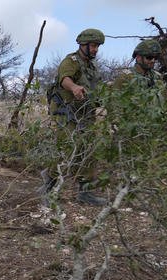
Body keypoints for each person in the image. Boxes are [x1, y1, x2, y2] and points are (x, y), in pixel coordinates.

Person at [41, 28, 107, 206]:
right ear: (82, 45)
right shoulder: (71, 61)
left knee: (89, 151)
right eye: (93, 45)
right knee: (66, 150)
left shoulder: (91, 67)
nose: (95, 50)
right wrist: (74, 88)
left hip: (85, 113)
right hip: (67, 112)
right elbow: (65, 79)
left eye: (97, 46)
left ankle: (86, 192)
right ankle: (49, 188)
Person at [113, 39, 167, 129]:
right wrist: (120, 126)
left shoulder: (157, 77)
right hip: (134, 130)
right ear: (138, 57)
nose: (153, 60)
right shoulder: (125, 77)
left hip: (157, 128)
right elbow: (115, 103)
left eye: (155, 58)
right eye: (149, 57)